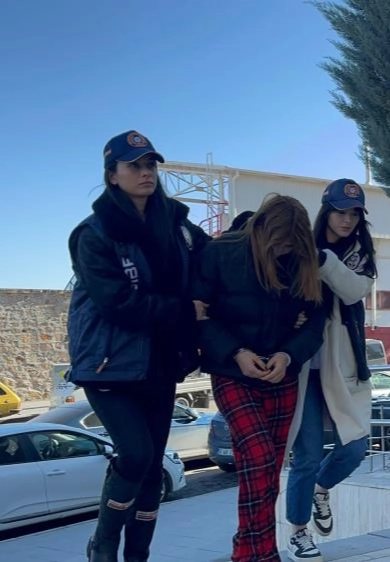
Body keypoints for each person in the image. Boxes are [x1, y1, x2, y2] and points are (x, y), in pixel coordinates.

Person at [66, 130, 209, 562]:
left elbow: (216, 259)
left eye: (150, 165)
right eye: (134, 166)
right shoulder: (94, 234)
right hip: (108, 365)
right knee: (136, 455)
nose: (145, 173)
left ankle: (138, 555)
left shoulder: (177, 227)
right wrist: (185, 311)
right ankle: (103, 544)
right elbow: (117, 303)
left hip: (160, 363)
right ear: (113, 175)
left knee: (151, 467)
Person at [192, 194, 328, 562]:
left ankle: (251, 550)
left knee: (268, 470)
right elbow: (199, 317)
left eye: (292, 245)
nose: (285, 251)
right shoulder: (220, 254)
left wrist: (288, 355)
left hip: (282, 374)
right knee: (258, 457)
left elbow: (315, 323)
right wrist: (236, 352)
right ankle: (257, 553)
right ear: (262, 231)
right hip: (231, 371)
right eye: (280, 243)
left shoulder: (304, 259)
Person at [285, 178, 377, 562]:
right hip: (302, 367)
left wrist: (324, 261)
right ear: (326, 211)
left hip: (344, 367)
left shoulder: (360, 253)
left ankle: (320, 490)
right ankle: (298, 534)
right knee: (306, 456)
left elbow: (354, 290)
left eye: (354, 213)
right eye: (340, 211)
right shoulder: (297, 248)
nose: (347, 219)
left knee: (355, 448)